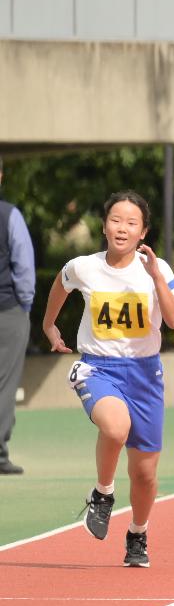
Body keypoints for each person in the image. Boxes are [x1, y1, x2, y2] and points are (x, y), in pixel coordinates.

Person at [39, 191, 174, 566]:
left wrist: (155, 277)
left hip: (145, 374)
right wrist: (49, 323)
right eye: (116, 220)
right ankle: (103, 494)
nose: (122, 228)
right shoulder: (85, 267)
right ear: (104, 227)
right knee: (115, 427)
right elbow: (61, 282)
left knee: (145, 474)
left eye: (131, 223)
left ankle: (137, 532)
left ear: (143, 232)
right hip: (99, 367)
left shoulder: (158, 269)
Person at [0, 160, 32, 476]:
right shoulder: (9, 215)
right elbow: (23, 265)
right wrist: (25, 305)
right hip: (6, 310)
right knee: (4, 384)